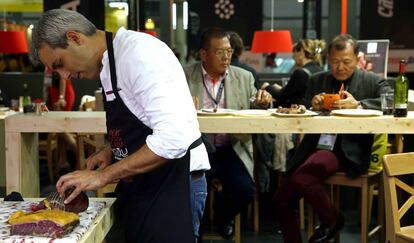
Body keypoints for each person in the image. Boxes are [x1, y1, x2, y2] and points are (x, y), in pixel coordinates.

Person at [30, 9, 210, 243]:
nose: (64, 76)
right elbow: (141, 120)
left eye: (60, 63)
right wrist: (110, 150)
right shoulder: (109, 63)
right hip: (147, 184)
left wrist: (103, 176)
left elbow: (173, 139)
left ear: (75, 38)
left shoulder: (139, 54)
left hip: (176, 185)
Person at [273, 34, 393, 243]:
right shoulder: (317, 79)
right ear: (328, 59)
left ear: (357, 59)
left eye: (346, 62)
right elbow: (303, 109)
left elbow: (389, 101)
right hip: (314, 146)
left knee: (303, 178)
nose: (340, 67)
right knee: (281, 200)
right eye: (335, 62)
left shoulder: (372, 81)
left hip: (348, 150)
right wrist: (313, 105)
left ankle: (333, 219)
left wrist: (358, 104)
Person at [183, 27, 272, 238]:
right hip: (198, 149)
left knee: (244, 191)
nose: (226, 58)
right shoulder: (184, 76)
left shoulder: (244, 77)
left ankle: (223, 216)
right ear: (204, 54)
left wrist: (263, 102)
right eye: (219, 52)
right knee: (190, 193)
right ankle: (198, 231)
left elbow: (255, 104)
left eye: (229, 52)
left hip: (231, 147)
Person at [261, 39, 326, 107]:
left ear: (301, 51)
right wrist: (281, 89)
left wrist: (267, 87)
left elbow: (283, 96)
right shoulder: (320, 70)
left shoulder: (301, 73)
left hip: (300, 113)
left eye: (294, 52)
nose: (293, 56)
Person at [47, 70, 77, 176]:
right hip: (55, 95)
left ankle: (78, 151)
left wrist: (61, 97)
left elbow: (62, 76)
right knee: (60, 131)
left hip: (62, 96)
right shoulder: (46, 61)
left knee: (60, 128)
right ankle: (63, 161)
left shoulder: (53, 58)